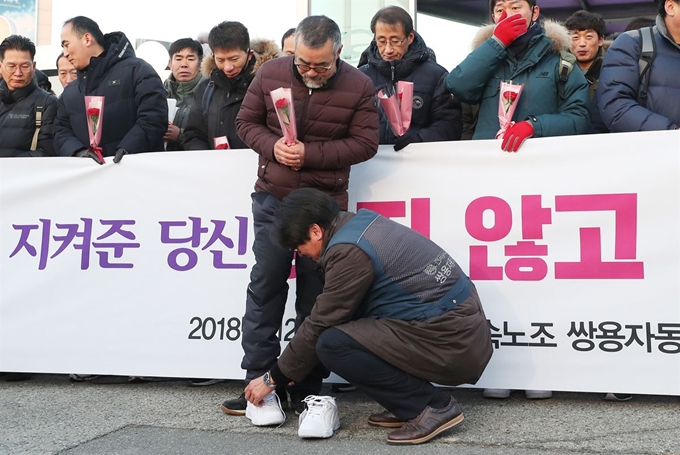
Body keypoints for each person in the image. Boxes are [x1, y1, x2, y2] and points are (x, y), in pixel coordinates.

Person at [244, 188, 492, 443]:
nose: (302, 254)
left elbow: (320, 322)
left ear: (316, 231)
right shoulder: (361, 224)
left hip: (452, 339)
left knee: (332, 343)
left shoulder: (348, 251)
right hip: (456, 328)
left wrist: (272, 377)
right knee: (352, 326)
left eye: (300, 246)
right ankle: (406, 405)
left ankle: (432, 406)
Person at [227, 15, 379, 425]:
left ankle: (308, 386)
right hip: (273, 198)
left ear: (339, 53)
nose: (311, 72)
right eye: (304, 64)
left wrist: (310, 154)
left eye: (322, 66)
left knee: (317, 296)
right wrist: (274, 147)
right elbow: (245, 124)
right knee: (266, 283)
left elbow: (366, 143)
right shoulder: (271, 71)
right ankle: (255, 378)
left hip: (324, 209)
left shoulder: (360, 85)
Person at [445, 0, 590, 152]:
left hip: (539, 161)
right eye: (500, 10)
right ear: (493, 17)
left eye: (515, 8)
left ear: (534, 13)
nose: (507, 16)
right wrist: (497, 42)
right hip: (487, 162)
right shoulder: (484, 58)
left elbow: (579, 118)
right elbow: (457, 86)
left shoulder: (559, 61)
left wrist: (534, 125)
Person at [54, 16, 167, 164]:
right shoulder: (70, 93)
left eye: (66, 45)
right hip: (87, 179)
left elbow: (154, 117)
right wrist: (78, 152)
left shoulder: (137, 71)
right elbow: (59, 131)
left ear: (87, 39)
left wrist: (127, 150)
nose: (65, 53)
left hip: (137, 173)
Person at [359, 5, 461, 149]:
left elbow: (450, 125)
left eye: (395, 41)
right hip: (371, 165)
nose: (388, 49)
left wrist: (419, 138)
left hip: (419, 165)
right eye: (381, 41)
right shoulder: (362, 77)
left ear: (410, 37)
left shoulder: (436, 76)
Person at [182, 21, 279, 150]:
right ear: (213, 56)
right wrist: (206, 158)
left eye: (234, 59)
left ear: (249, 55)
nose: (228, 67)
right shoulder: (206, 88)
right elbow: (194, 133)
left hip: (255, 165)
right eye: (220, 60)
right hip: (214, 166)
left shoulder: (267, 85)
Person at [595, 0, 680, 132]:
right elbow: (615, 105)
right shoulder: (632, 43)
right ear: (670, 7)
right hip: (649, 149)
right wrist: (671, 132)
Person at [0, 34, 57, 158]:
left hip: (23, 175)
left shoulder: (47, 103)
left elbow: (47, 152)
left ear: (34, 67)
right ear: (1, 67)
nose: (18, 73)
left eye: (25, 66)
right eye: (11, 66)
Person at [163, 38, 205, 151]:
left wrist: (180, 135)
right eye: (178, 59)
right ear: (170, 64)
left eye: (190, 59)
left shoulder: (209, 93)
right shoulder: (159, 93)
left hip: (197, 162)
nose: (184, 65)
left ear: (200, 64)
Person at [565, 10, 606, 100]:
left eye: (588, 37)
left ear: (600, 40)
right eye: (575, 37)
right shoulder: (560, 71)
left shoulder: (611, 69)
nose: (582, 44)